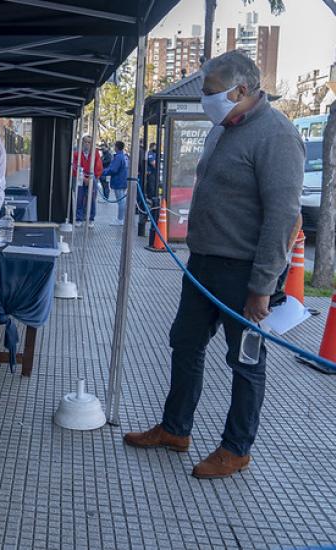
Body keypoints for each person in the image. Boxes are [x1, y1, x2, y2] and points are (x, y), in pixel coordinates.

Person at [124, 51, 304, 479]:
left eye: (210, 93)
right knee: (184, 343)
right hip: (202, 264)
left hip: (243, 272)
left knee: (245, 362)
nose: (205, 102)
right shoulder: (222, 129)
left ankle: (236, 448)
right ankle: (175, 428)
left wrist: (262, 286)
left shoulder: (277, 136)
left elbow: (283, 218)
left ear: (241, 91)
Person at [72, 134, 103, 227]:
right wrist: (82, 177)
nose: (87, 144)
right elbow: (75, 167)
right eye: (85, 142)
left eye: (89, 142)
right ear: (82, 143)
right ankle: (79, 218)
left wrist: (94, 178)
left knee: (91, 199)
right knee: (79, 198)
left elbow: (98, 167)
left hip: (91, 178)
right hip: (80, 178)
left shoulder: (95, 153)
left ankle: (91, 219)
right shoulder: (77, 153)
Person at [102, 141, 129, 225]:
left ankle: (120, 219)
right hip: (123, 180)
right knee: (122, 201)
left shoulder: (118, 157)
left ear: (116, 147)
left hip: (118, 181)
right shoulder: (124, 156)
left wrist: (102, 172)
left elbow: (113, 169)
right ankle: (121, 218)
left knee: (121, 201)